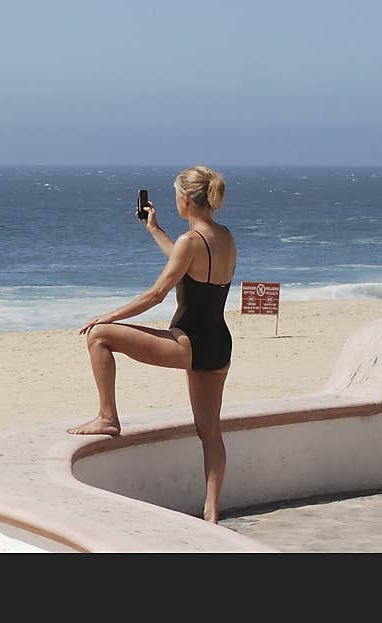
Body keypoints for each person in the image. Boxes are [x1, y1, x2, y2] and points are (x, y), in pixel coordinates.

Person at [67, 165, 236, 524]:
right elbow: (187, 263)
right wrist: (155, 230)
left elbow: (157, 294)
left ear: (187, 199)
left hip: (187, 342)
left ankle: (108, 417)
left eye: (176, 194)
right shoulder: (224, 237)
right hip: (219, 345)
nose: (175, 200)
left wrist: (106, 317)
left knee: (99, 337)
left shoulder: (192, 242)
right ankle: (211, 513)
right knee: (211, 434)